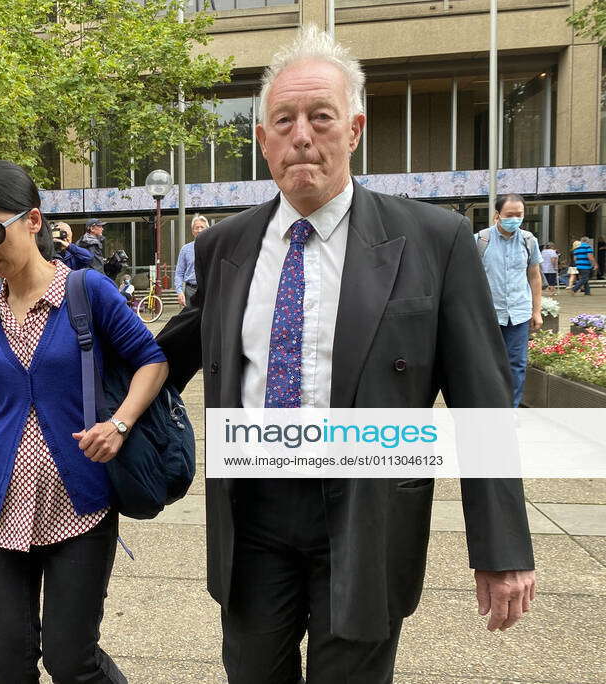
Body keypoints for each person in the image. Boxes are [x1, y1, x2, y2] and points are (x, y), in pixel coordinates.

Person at [155, 26, 535, 683]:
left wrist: (500, 546)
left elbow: (484, 401)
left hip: (368, 513)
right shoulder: (225, 249)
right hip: (253, 520)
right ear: (263, 139)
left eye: (320, 117)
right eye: (284, 119)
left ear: (353, 130)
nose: (302, 134)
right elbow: (163, 355)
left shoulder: (434, 243)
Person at [0, 160, 168, 684]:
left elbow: (151, 360)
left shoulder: (87, 292)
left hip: (80, 504)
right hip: (4, 509)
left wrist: (120, 423)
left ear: (34, 221)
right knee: (8, 665)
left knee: (71, 661)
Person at [475, 194, 542, 409]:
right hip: (488, 315)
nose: (514, 219)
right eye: (509, 215)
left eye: (519, 215)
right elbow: (468, 277)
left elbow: (534, 276)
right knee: (486, 365)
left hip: (519, 314)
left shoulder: (529, 240)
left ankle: (510, 409)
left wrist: (537, 310)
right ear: (497, 215)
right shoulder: (480, 240)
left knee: (517, 364)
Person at [174, 214, 209, 307]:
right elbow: (179, 273)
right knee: (191, 320)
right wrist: (179, 292)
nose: (199, 230)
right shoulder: (185, 249)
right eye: (196, 227)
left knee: (208, 320)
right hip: (191, 291)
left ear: (208, 230)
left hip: (209, 290)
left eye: (202, 227)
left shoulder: (213, 248)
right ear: (192, 231)